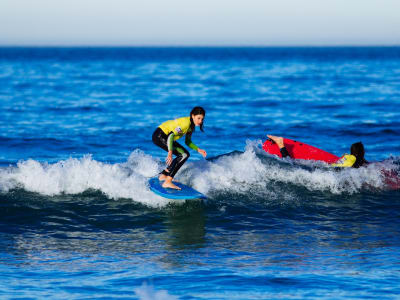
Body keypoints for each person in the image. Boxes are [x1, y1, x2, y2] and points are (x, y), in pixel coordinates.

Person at [152, 107, 207, 190]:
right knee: (183, 155)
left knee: (184, 154)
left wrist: (198, 150)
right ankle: (168, 182)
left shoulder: (191, 126)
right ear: (192, 116)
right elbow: (171, 136)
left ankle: (163, 175)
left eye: (202, 119)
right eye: (198, 118)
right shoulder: (185, 124)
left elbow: (188, 142)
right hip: (160, 135)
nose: (200, 121)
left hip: (164, 136)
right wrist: (170, 152)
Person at [267, 135, 368, 168]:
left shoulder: (346, 156)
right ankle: (281, 144)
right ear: (361, 152)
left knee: (293, 165)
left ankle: (281, 145)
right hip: (333, 172)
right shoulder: (359, 161)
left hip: (327, 168)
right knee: (291, 166)